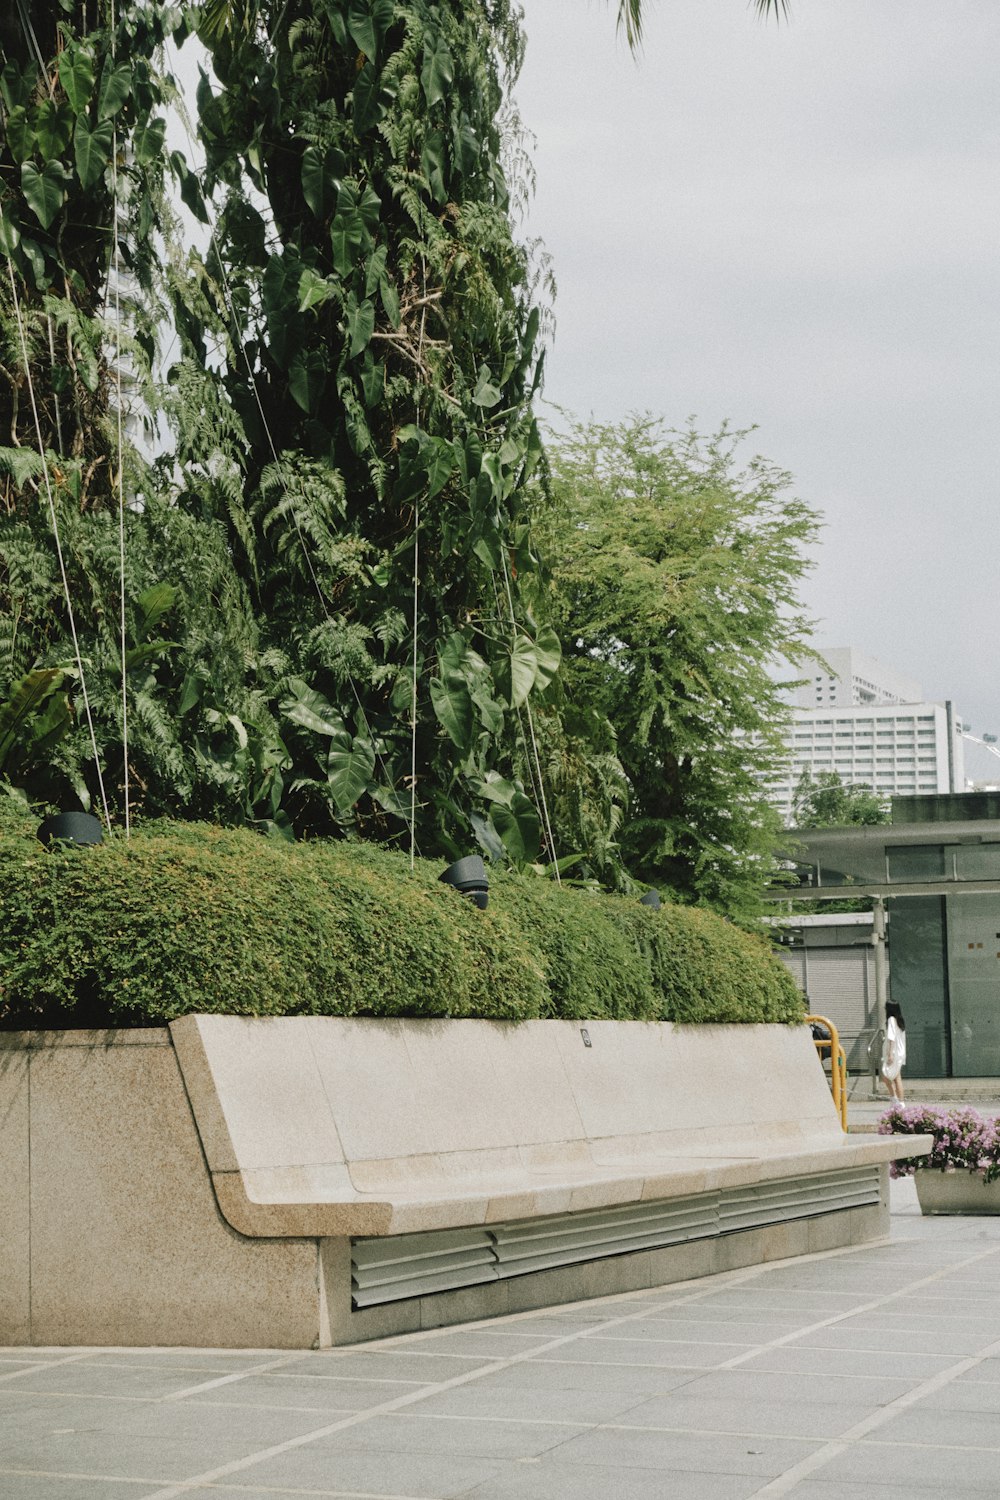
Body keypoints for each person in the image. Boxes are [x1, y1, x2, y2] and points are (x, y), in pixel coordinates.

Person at [881, 1000, 906, 1104]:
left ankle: (897, 1100)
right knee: (896, 1077)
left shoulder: (891, 1020)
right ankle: (897, 1100)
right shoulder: (900, 1021)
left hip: (894, 1052)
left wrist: (890, 1054)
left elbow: (892, 1038)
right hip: (900, 1052)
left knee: (887, 1077)